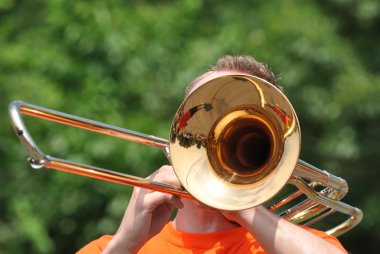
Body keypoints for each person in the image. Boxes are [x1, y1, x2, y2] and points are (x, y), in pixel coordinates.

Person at [77, 55, 347, 254]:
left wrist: (241, 205)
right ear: (174, 140)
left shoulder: (292, 244)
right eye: (203, 117)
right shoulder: (109, 248)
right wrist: (125, 243)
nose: (212, 141)